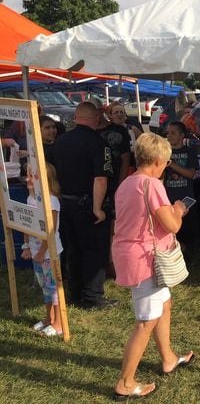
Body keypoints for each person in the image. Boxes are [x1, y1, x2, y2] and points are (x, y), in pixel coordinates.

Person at [112, 133, 194, 400]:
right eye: (167, 162)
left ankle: (168, 358)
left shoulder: (127, 182)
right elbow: (172, 225)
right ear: (158, 160)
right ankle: (125, 382)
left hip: (134, 254)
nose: (166, 166)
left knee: (164, 304)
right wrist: (178, 210)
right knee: (145, 321)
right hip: (144, 259)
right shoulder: (152, 184)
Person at [48, 101, 116, 310]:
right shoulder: (99, 143)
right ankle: (93, 298)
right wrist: (98, 208)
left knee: (73, 250)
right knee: (94, 251)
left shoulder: (60, 141)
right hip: (88, 205)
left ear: (76, 118)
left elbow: (50, 170)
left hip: (65, 203)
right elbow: (100, 179)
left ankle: (75, 293)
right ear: (96, 119)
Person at [20, 163, 64, 337]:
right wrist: (27, 247)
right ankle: (49, 318)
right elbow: (26, 224)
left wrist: (40, 252)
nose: (27, 179)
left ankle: (59, 323)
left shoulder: (51, 201)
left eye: (31, 176)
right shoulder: (31, 199)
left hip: (49, 253)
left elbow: (50, 230)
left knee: (53, 287)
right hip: (36, 252)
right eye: (28, 175)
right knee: (44, 287)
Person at [164, 121, 200, 257]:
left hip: (186, 196)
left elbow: (190, 174)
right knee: (172, 229)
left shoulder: (189, 152)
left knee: (188, 229)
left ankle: (189, 253)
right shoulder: (166, 152)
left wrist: (172, 164)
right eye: (168, 133)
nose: (169, 136)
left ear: (182, 135)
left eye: (173, 133)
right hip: (170, 196)